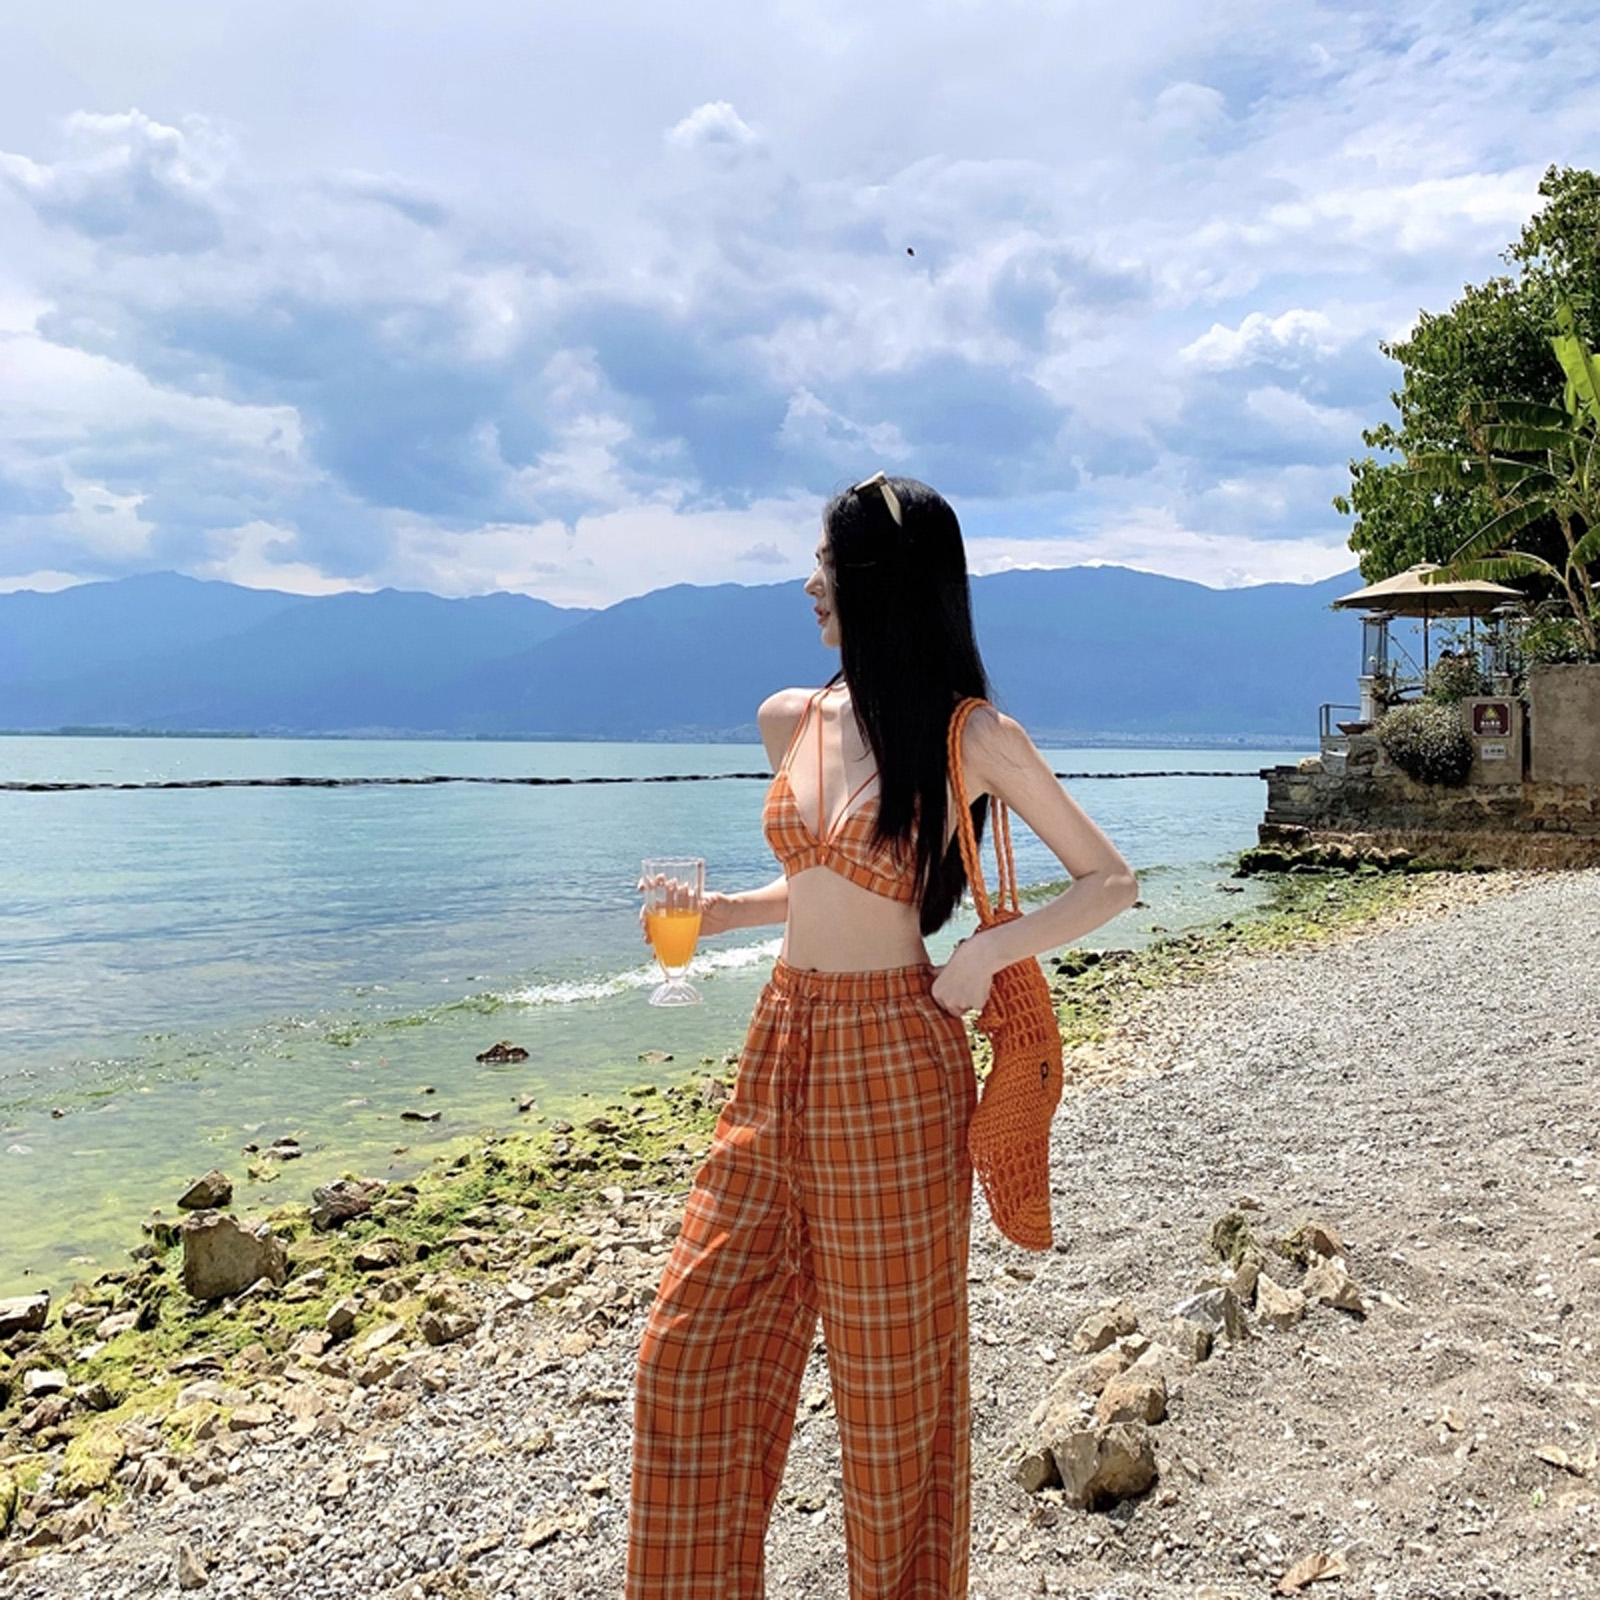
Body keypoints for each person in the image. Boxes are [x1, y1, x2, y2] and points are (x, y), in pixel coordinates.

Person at [626, 473, 1139, 1600]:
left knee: (895, 1407)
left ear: (881, 581)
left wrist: (986, 957)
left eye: (826, 562)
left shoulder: (969, 734)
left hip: (896, 1063)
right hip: (780, 1044)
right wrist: (721, 912)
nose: (809, 582)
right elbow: (821, 882)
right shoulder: (790, 718)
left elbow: (1109, 880)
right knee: (685, 1359)